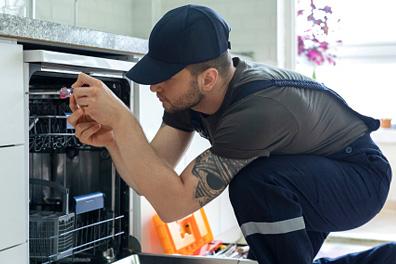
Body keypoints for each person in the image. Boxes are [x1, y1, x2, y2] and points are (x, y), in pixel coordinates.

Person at [67, 4, 396, 264]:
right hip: (305, 173)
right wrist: (113, 138)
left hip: (359, 178)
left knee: (253, 182)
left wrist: (125, 123)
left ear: (208, 78)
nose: (154, 86)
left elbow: (173, 205)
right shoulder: (189, 95)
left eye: (165, 76)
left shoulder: (255, 112)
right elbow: (150, 178)